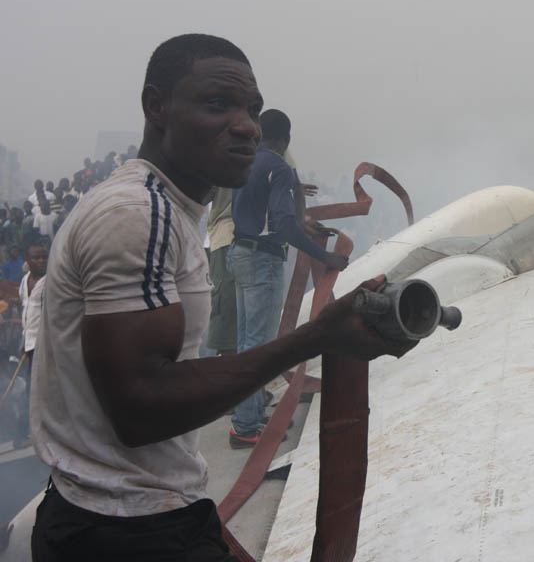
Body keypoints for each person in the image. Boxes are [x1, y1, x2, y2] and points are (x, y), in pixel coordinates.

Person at [29, 33, 413, 562]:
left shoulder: (170, 208)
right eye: (218, 104)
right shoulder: (139, 215)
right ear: (156, 107)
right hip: (131, 533)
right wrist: (314, 338)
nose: (244, 125)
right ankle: (249, 426)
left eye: (252, 110)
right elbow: (140, 408)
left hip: (108, 516)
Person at [228, 109, 349, 447]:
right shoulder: (278, 167)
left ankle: (247, 414)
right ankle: (245, 427)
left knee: (246, 343)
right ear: (286, 139)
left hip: (240, 253)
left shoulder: (246, 161)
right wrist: (323, 255)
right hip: (263, 259)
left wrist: (302, 224)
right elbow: (281, 224)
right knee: (260, 347)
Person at [15, 241, 47, 449]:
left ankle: (43, 433)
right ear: (28, 261)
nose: (41, 261)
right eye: (36, 257)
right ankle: (27, 433)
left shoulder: (51, 281)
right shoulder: (25, 280)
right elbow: (25, 312)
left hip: (46, 344)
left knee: (44, 390)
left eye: (44, 257)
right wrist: (24, 340)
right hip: (29, 344)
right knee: (30, 391)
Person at [205, 186, 237, 358]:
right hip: (228, 237)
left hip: (226, 236)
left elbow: (201, 195)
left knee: (228, 307)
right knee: (230, 307)